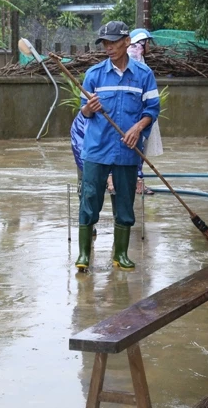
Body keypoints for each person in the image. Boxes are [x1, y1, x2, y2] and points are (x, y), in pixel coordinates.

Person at [75, 21, 160, 272]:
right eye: (105, 43)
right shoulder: (94, 75)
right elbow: (84, 112)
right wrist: (89, 108)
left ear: (126, 42)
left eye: (113, 42)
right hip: (97, 149)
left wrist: (137, 128)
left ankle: (120, 254)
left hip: (127, 149)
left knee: (125, 202)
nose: (109, 47)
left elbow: (152, 110)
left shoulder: (144, 76)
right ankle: (84, 254)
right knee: (89, 199)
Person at [125, 27, 163, 195]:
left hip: (138, 116)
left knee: (135, 150)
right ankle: (137, 183)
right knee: (137, 149)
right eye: (148, 42)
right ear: (143, 42)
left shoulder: (136, 60)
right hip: (138, 117)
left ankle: (132, 182)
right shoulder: (136, 61)